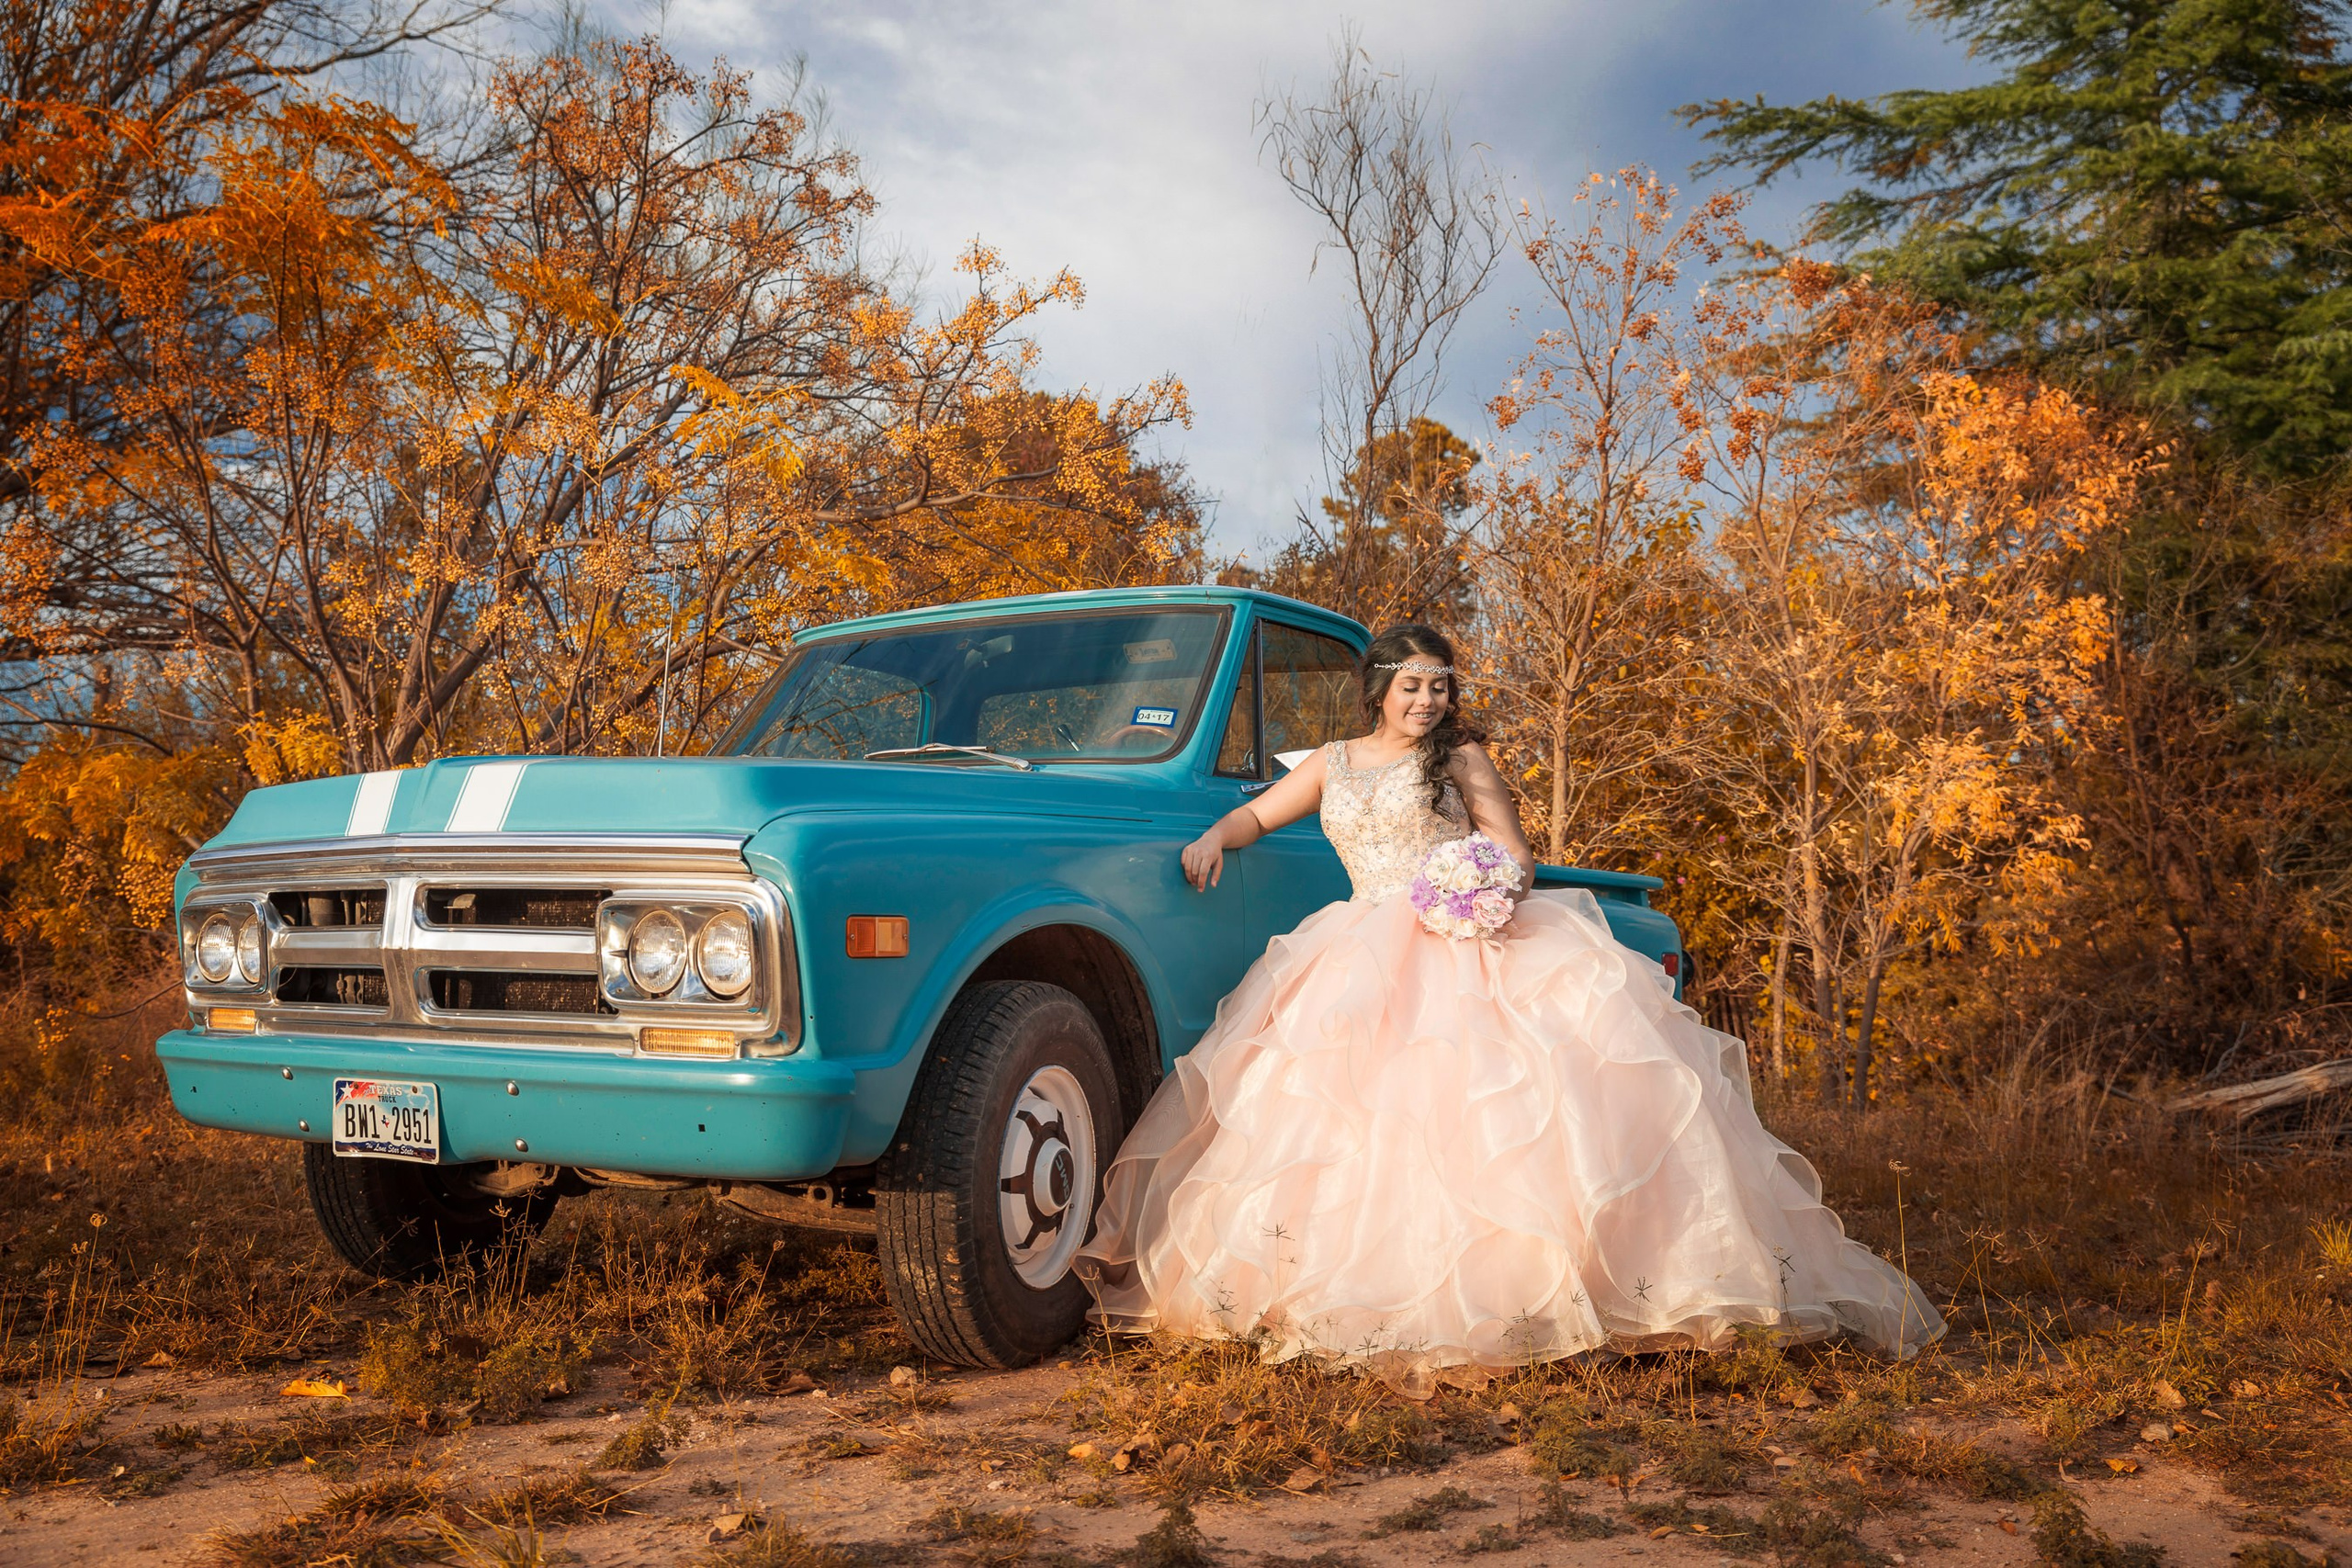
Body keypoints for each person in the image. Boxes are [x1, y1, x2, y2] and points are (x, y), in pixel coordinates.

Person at [1074, 624, 1944, 1396]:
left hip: (1466, 938)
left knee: (1503, 1120)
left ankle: (1558, 1296)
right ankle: (1353, 1296)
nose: (1427, 699)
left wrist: (1477, 891)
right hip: (1360, 949)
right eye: (1411, 684)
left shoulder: (1460, 760)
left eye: (1440, 685)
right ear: (1376, 688)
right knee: (1348, 1122)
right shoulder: (1332, 763)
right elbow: (1255, 816)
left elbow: (1513, 856)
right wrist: (1210, 840)